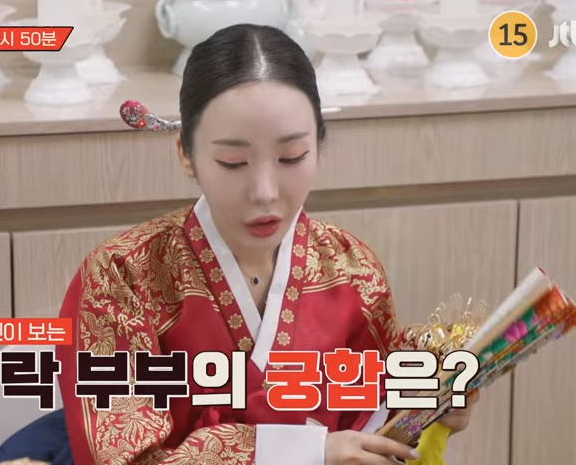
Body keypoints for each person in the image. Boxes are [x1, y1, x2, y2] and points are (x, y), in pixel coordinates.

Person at [55, 23, 478, 465]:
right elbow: (121, 457)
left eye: (291, 157)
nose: (264, 192)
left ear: (317, 146)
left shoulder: (352, 270)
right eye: (233, 162)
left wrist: (429, 406)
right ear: (185, 153)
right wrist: (305, 454)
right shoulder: (122, 277)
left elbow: (374, 420)